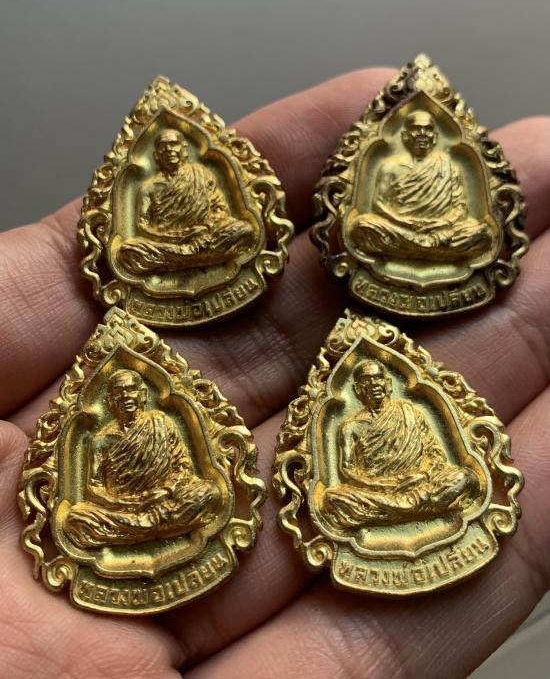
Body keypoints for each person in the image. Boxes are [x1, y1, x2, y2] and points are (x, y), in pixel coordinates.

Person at [1, 67, 547, 677]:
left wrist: (415, 488)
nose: (419, 141)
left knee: (456, 479)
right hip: (149, 502)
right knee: (80, 516)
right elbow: (109, 493)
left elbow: (227, 225)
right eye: (169, 153)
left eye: (425, 134)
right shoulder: (105, 437)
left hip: (414, 430)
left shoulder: (403, 408)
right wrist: (142, 509)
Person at [64, 369, 220, 548]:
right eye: (118, 392)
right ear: (110, 401)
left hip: (164, 500)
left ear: (143, 394)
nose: (125, 396)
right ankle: (159, 525)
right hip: (125, 509)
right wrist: (121, 503)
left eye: (131, 389)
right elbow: (94, 487)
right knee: (74, 519)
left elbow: (184, 466)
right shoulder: (101, 440)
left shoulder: (161, 421)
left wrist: (166, 490)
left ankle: (137, 529)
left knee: (210, 492)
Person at [322, 360, 478, 527]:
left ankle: (398, 509)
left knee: (465, 477)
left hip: (421, 482)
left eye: (378, 378)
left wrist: (424, 474)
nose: (374, 384)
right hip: (380, 491)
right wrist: (385, 486)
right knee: (332, 498)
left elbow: (434, 451)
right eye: (366, 380)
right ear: (358, 389)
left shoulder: (409, 411)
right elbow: (348, 471)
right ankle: (419, 506)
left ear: (388, 383)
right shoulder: (350, 427)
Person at [350, 110, 492, 260]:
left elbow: (460, 207)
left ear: (435, 137)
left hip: (440, 230)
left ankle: (411, 249)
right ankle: (435, 250)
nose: (422, 134)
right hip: (400, 228)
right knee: (363, 225)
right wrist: (403, 222)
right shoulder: (390, 167)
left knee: (480, 232)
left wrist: (442, 223)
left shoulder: (449, 167)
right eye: (416, 129)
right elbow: (378, 204)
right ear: (405, 135)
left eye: (428, 129)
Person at [117, 128, 254, 273]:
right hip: (168, 242)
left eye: (173, 144)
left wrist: (205, 229)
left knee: (244, 229)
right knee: (127, 250)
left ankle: (182, 258)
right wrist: (178, 237)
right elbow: (143, 226)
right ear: (156, 155)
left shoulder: (201, 174)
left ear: (184, 149)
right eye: (163, 146)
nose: (169, 149)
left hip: (204, 236)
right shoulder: (148, 188)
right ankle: (203, 255)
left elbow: (221, 209)